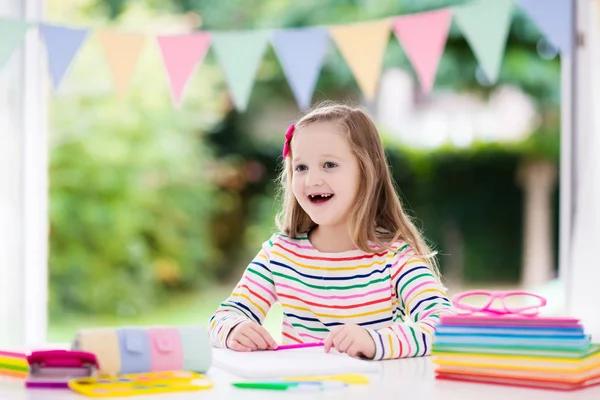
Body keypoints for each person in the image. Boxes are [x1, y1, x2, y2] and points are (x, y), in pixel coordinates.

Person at [208, 102, 454, 360]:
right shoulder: (279, 255)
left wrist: (375, 342)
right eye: (301, 167)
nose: (312, 180)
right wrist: (234, 328)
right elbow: (224, 316)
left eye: (329, 165)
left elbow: (444, 324)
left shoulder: (395, 258)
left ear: (368, 171)